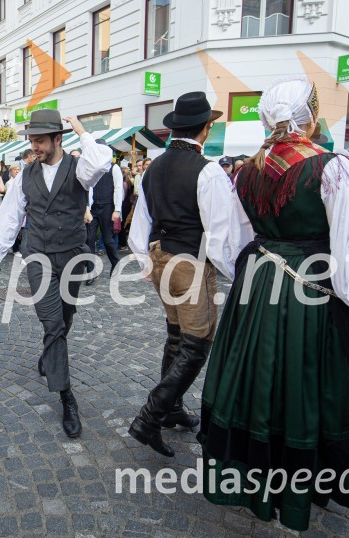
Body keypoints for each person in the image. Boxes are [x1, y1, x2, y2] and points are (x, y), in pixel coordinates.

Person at [197, 79, 349, 531]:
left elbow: (229, 243)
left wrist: (254, 271)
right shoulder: (331, 167)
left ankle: (260, 475)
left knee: (258, 381)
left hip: (260, 281)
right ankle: (305, 481)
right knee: (308, 380)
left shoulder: (246, 169)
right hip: (311, 287)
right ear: (308, 117)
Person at [0, 110, 113, 439]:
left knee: (66, 317)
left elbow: (101, 161)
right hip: (39, 255)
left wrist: (81, 130)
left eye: (40, 140)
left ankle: (49, 354)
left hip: (71, 255)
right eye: (31, 140)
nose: (34, 146)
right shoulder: (23, 176)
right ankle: (66, 396)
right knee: (52, 323)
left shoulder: (79, 168)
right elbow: (11, 217)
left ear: (58, 138)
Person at [127, 92, 233, 457]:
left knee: (176, 337)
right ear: (205, 128)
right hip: (189, 264)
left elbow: (140, 222)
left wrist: (145, 259)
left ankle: (170, 409)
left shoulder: (153, 166)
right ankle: (149, 417)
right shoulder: (209, 170)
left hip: (160, 259)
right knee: (196, 344)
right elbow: (219, 236)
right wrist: (235, 272)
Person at [85, 139, 123, 284]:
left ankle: (115, 263)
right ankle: (90, 272)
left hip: (108, 207)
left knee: (107, 240)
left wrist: (117, 210)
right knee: (89, 240)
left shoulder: (114, 168)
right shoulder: (90, 168)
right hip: (93, 208)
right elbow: (87, 188)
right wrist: (87, 207)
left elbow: (119, 189)